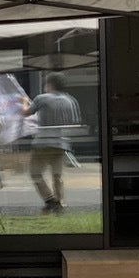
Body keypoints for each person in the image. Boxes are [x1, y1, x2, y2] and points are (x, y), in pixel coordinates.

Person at [22, 73, 83, 212]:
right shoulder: (70, 100)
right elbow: (74, 122)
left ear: (50, 84)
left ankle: (50, 199)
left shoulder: (42, 98)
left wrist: (24, 101)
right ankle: (60, 203)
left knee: (35, 173)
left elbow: (26, 113)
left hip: (43, 143)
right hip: (62, 143)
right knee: (57, 175)